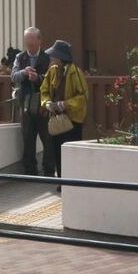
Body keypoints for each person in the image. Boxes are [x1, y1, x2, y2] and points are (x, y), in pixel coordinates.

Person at [39, 40, 87, 181]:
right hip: (56, 119)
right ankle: (61, 181)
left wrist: (65, 104)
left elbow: (83, 97)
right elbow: (44, 89)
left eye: (54, 56)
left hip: (73, 121)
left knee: (72, 154)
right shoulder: (52, 71)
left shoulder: (75, 73)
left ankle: (74, 182)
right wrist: (46, 103)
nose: (52, 58)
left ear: (61, 57)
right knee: (57, 153)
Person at [11, 26, 51, 175]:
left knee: (47, 137)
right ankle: (30, 170)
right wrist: (24, 72)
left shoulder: (48, 58)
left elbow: (51, 79)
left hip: (43, 104)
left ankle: (48, 169)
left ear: (39, 41)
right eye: (27, 43)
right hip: (26, 103)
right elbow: (13, 76)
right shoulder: (20, 57)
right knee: (28, 137)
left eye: (32, 44)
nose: (30, 47)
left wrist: (38, 78)